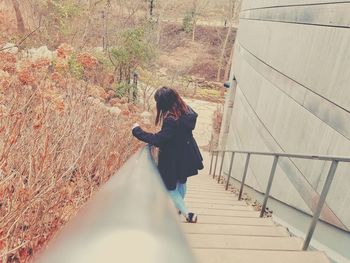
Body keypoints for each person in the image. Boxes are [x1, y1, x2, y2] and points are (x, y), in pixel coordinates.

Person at [132, 87, 204, 223]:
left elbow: (158, 139)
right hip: (187, 155)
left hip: (173, 159)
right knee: (181, 182)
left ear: (163, 103)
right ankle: (179, 206)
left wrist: (137, 131)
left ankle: (188, 214)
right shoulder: (187, 111)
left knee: (169, 187)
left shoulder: (172, 120)